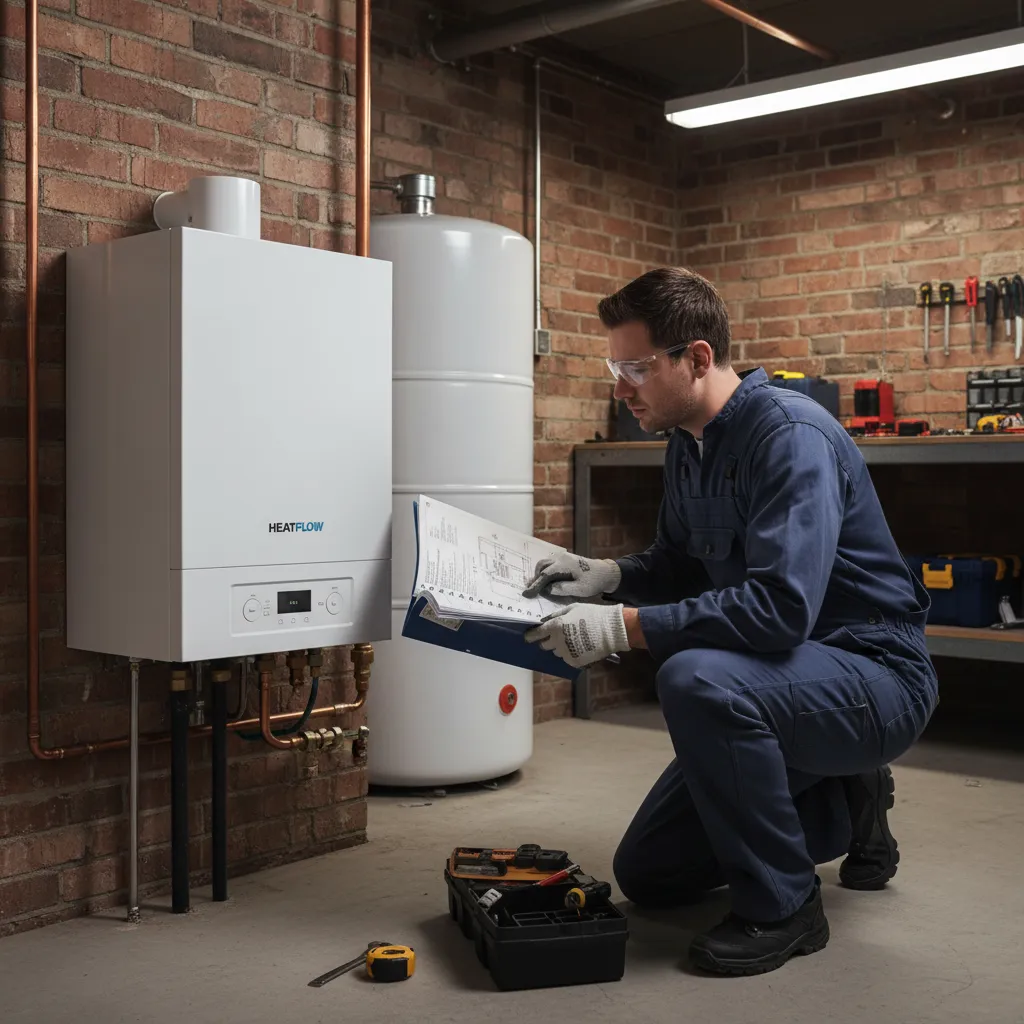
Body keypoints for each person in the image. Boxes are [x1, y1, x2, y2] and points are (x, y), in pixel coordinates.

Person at [522, 267, 939, 977]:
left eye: (635, 367)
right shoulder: (689, 442)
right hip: (789, 677)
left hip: (874, 673)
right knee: (650, 872)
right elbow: (681, 560)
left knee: (697, 679)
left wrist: (621, 627)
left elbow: (779, 610)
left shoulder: (791, 437)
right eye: (613, 367)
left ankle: (785, 907)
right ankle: (847, 794)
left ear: (698, 358)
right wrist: (612, 575)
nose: (622, 387)